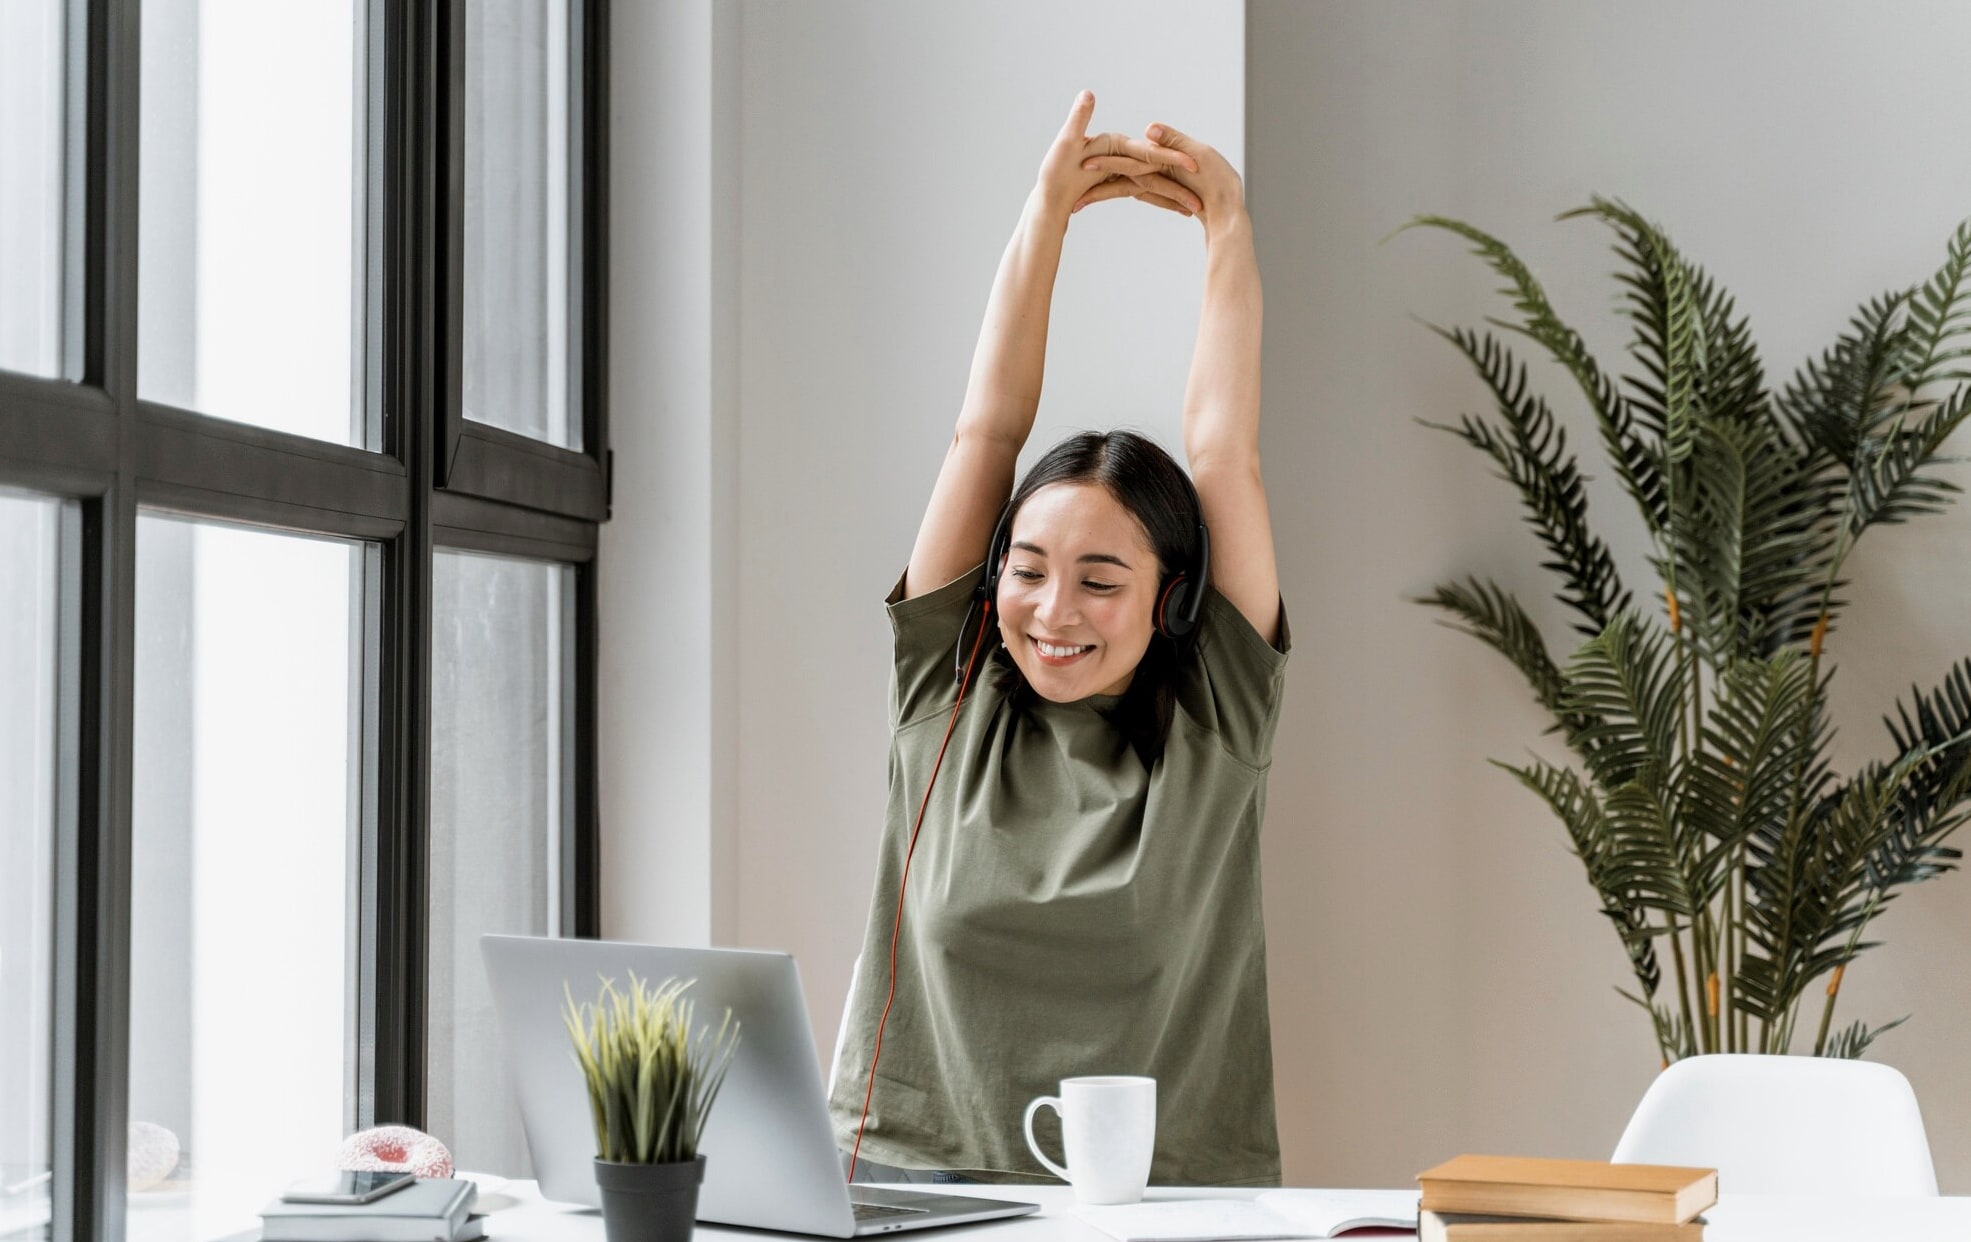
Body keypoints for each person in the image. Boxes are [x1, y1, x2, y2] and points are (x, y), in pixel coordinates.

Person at [828, 90, 1286, 1188]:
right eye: (1026, 571)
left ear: (1174, 599)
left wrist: (1228, 228)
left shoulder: (1218, 716)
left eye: (1100, 580)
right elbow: (985, 426)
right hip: (908, 1187)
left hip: (1166, 1209)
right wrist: (1046, 216)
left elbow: (1224, 456)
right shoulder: (948, 685)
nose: (1051, 609)